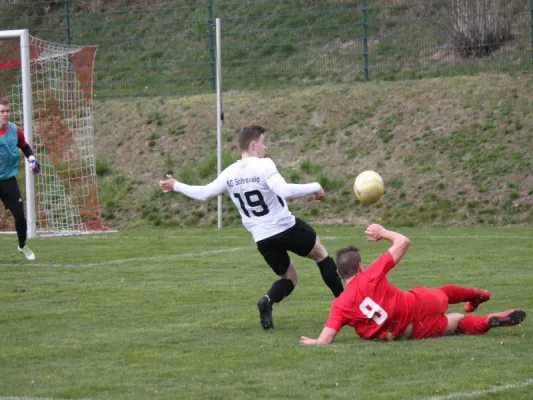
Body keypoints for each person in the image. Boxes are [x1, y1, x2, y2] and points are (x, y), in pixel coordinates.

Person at [159, 124, 343, 330]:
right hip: (286, 227)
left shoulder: (229, 173)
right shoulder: (264, 165)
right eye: (263, 143)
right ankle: (347, 305)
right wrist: (316, 186)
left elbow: (204, 193)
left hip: (262, 239)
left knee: (289, 277)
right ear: (254, 145)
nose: (265, 147)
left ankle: (268, 300)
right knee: (321, 256)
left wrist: (176, 185)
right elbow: (284, 191)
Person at [300, 223, 526, 344]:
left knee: (457, 322)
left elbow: (326, 339)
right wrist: (382, 232)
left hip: (409, 332)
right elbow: (403, 241)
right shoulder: (370, 273)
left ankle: (487, 320)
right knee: (443, 293)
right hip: (417, 305)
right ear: (360, 266)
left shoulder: (339, 305)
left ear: (339, 274)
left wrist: (314, 342)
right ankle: (479, 295)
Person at [0, 98, 40, 261]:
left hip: (8, 179)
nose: (5, 114)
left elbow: (25, 147)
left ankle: (22, 245)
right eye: (2, 111)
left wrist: (32, 159)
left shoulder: (15, 130)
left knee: (20, 217)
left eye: (7, 111)